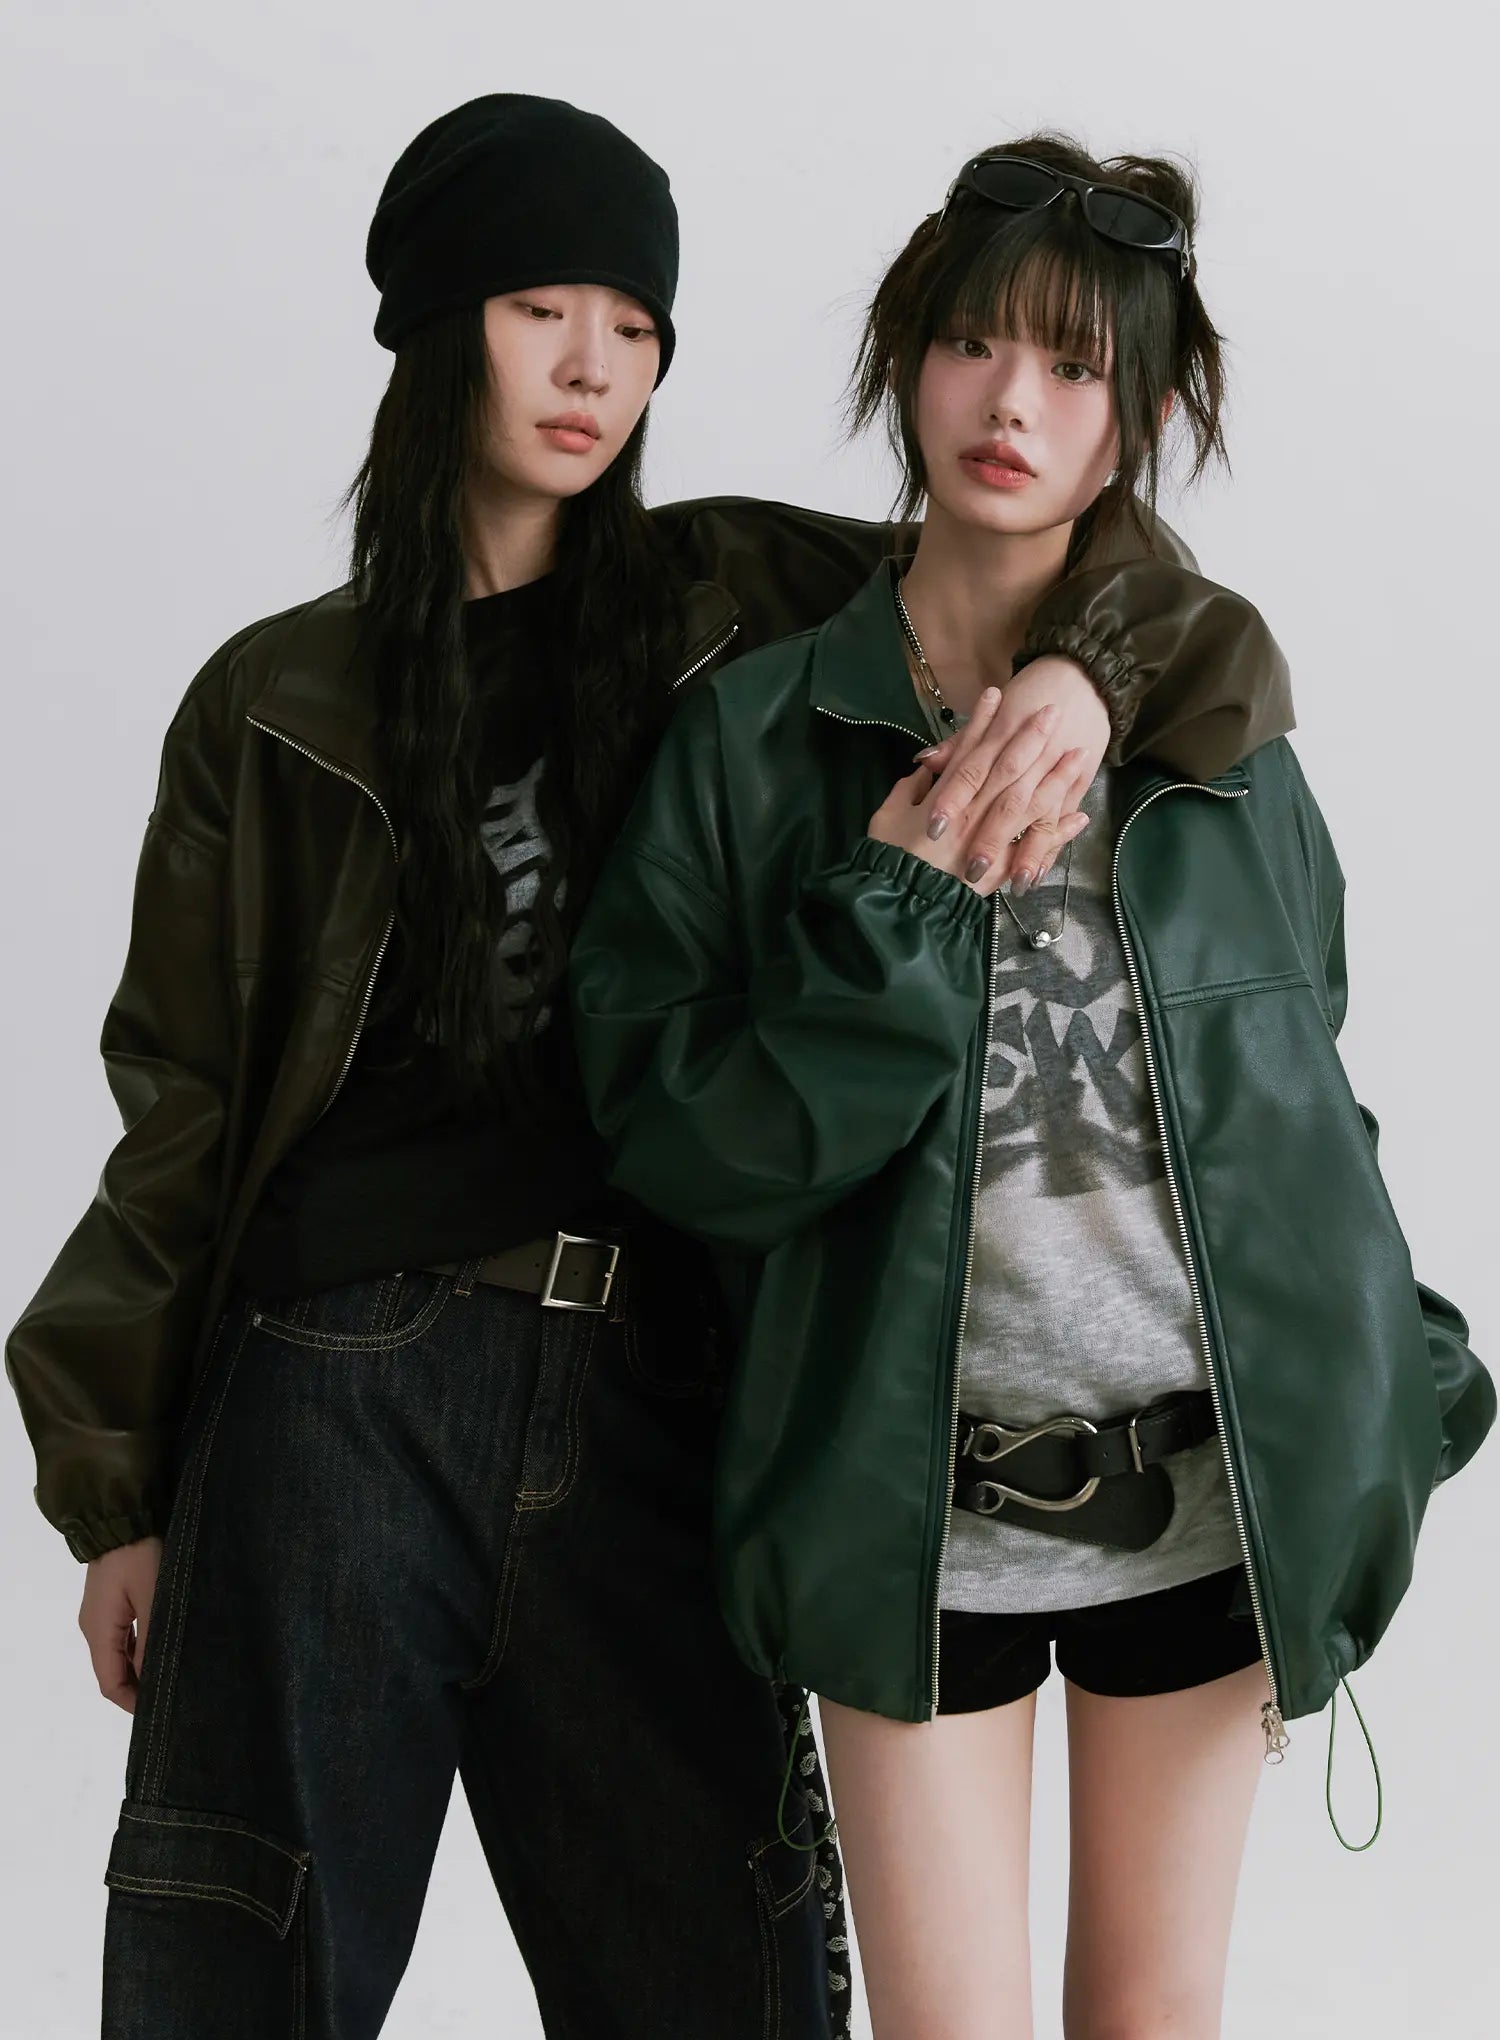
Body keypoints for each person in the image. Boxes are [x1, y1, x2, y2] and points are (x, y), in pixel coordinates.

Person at [6, 98, 1294, 2038]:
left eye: (635, 324)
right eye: (541, 308)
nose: (593, 365)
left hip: (664, 1382)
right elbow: (178, 1097)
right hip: (341, 1386)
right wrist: (116, 1480)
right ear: (437, 323)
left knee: (724, 1981)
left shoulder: (744, 599)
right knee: (242, 1971)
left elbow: (1110, 570)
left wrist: (1084, 673)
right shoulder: (276, 700)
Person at [570, 135, 1494, 2038]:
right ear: (905, 356)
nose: (1014, 404)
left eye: (1077, 368)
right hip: (908, 1510)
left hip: (1205, 1490)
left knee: (1155, 2017)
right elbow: (682, 1143)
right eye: (976, 344)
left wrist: (1380, 1384)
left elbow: (1305, 1079)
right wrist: (899, 910)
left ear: (1141, 414)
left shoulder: (1218, 740)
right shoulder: (757, 739)